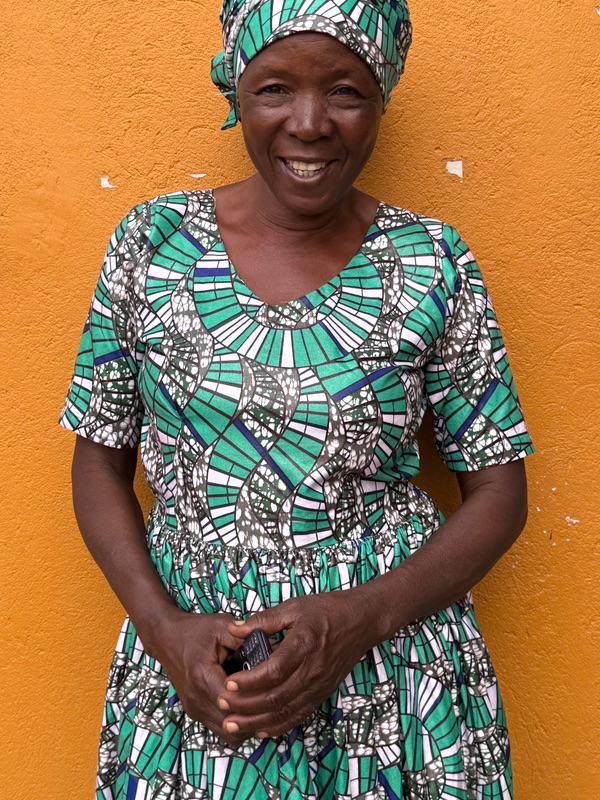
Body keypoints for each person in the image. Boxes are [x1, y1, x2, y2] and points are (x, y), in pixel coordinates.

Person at [58, 1, 536, 797]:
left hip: (394, 681)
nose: (309, 124)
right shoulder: (151, 244)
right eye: (275, 87)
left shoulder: (432, 262)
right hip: (196, 677)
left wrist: (361, 619)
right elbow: (99, 463)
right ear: (236, 92)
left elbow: (500, 492)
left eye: (345, 90)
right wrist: (166, 632)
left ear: (381, 96)